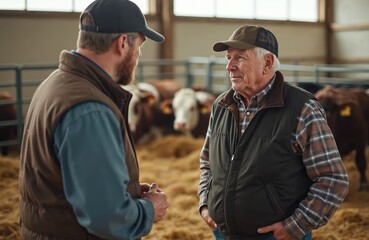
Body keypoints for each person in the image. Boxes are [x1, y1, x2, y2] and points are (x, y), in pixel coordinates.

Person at [19, 0, 169, 239]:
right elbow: (108, 218)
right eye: (140, 46)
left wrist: (126, 191)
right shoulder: (91, 110)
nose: (139, 54)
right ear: (122, 43)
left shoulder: (55, 84)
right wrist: (149, 209)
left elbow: (69, 179)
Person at [198, 24, 349, 240]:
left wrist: (295, 226)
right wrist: (205, 204)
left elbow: (333, 178)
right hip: (223, 233)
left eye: (239, 58)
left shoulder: (302, 108)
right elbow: (207, 162)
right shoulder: (221, 105)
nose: (229, 66)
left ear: (267, 62)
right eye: (228, 58)